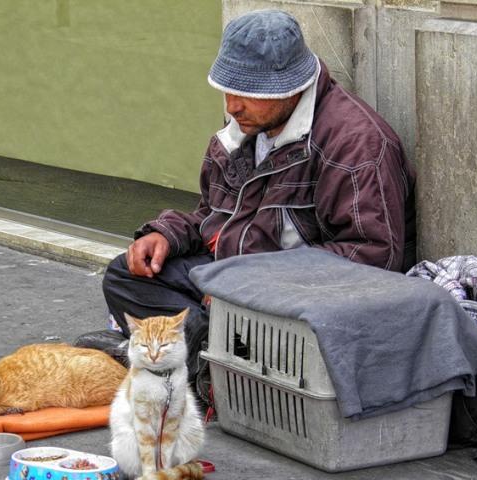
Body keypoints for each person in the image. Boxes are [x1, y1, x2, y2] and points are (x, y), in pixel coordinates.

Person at [75, 10, 416, 389]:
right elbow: (213, 215)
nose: (232, 106)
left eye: (247, 93)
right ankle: (209, 361)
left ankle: (189, 362)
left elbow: (376, 257)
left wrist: (253, 281)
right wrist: (166, 235)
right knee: (126, 275)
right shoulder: (249, 124)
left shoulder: (356, 144)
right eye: (228, 90)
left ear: (289, 88)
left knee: (246, 322)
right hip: (231, 282)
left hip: (292, 297)